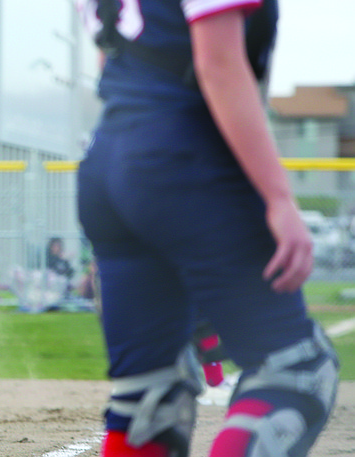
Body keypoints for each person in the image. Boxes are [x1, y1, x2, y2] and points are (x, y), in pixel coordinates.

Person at [75, 0, 338, 455]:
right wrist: (278, 197)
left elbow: (113, 57)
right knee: (296, 372)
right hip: (183, 153)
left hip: (106, 161)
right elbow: (217, 63)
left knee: (146, 398)